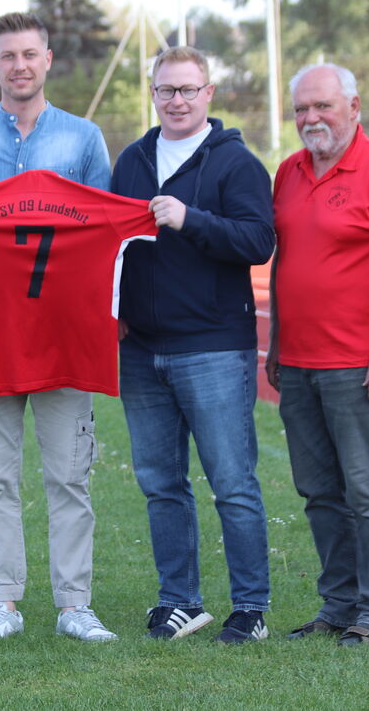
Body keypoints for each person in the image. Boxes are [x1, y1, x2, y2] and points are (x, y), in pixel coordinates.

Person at [0, 12, 117, 644]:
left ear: (47, 60)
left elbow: (103, 237)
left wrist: (97, 323)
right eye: (8, 55)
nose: (19, 65)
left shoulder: (83, 139)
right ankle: (3, 603)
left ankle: (75, 605)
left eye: (29, 54)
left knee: (69, 474)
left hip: (64, 336)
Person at [111, 46, 275, 644]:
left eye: (187, 90)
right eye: (166, 90)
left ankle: (251, 606)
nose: (176, 101)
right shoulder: (132, 161)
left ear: (208, 93)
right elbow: (113, 246)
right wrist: (116, 311)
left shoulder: (236, 163)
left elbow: (259, 241)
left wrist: (191, 219)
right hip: (141, 349)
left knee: (232, 482)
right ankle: (179, 600)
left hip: (213, 347)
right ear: (153, 93)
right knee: (161, 484)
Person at [266, 63, 369, 646]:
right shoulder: (288, 172)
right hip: (299, 365)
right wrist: (277, 342)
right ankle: (339, 606)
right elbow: (286, 264)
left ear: (354, 107)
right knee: (320, 493)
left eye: (323, 106)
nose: (311, 118)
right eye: (301, 109)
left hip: (362, 367)